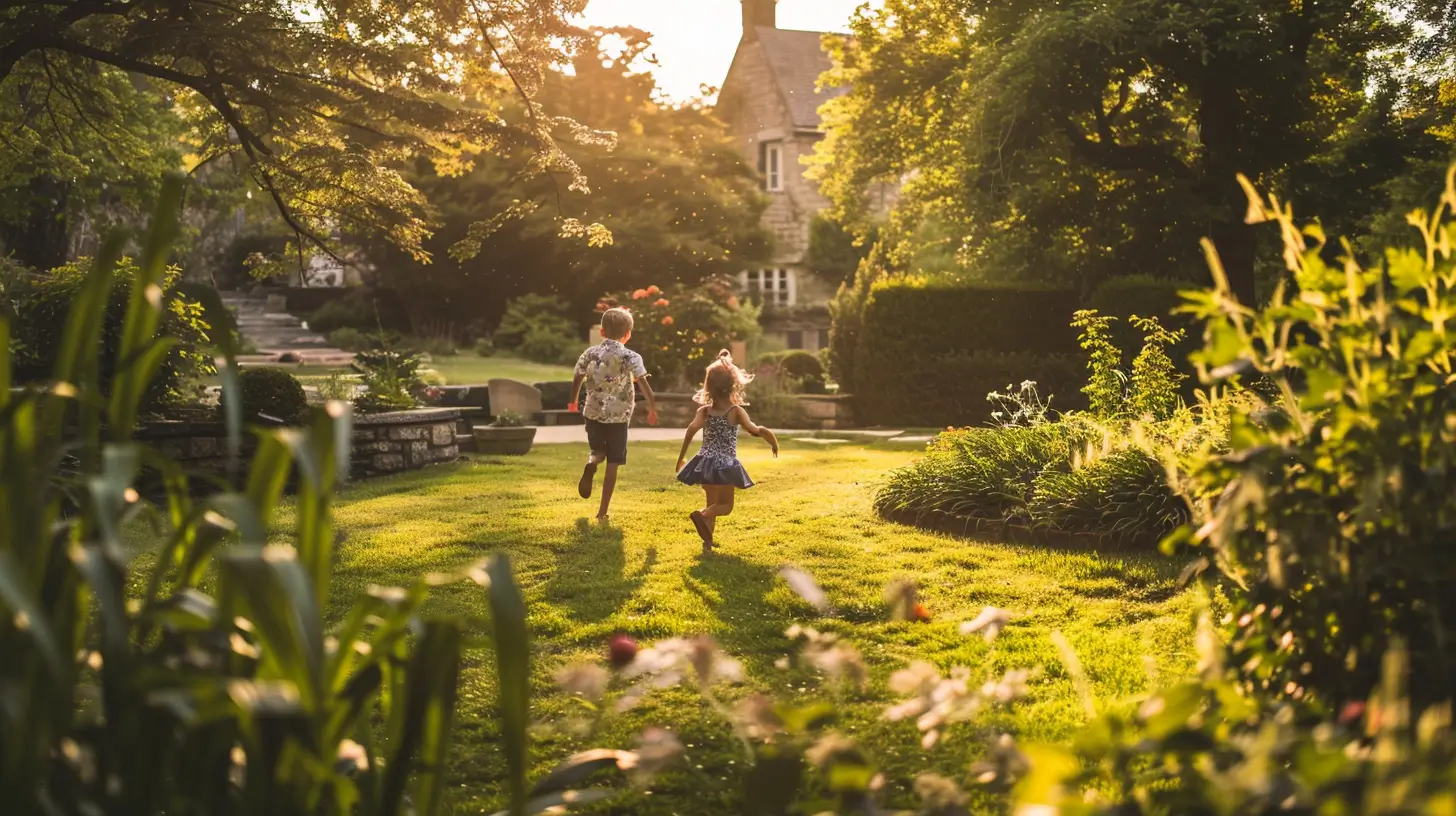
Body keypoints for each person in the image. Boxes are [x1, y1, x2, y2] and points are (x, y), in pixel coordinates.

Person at [676, 350, 778, 551]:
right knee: (725, 507)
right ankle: (702, 515)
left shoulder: (704, 411)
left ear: (709, 386)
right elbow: (756, 430)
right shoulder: (736, 411)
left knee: (712, 503)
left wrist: (681, 458)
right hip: (725, 465)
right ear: (733, 385)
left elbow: (690, 430)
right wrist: (772, 441)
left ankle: (707, 543)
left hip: (704, 462)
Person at [568, 307, 658, 524]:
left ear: (602, 331)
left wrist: (572, 401)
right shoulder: (630, 356)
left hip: (592, 412)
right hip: (618, 417)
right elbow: (643, 382)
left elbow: (577, 376)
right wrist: (652, 407)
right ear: (628, 334)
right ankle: (602, 511)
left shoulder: (590, 353)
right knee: (614, 462)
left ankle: (591, 463)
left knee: (597, 451)